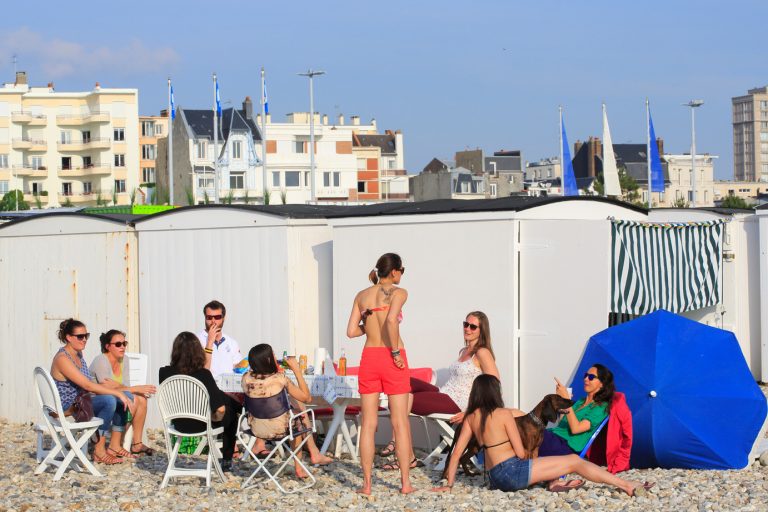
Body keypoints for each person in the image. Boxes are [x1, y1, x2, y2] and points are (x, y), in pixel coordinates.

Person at [434, 375, 653, 496]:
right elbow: (521, 452)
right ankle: (625, 485)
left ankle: (554, 482)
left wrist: (449, 485)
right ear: (495, 392)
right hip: (511, 473)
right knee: (575, 461)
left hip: (493, 478)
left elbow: (454, 455)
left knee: (557, 463)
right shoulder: (503, 415)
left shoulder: (472, 417)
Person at [380, 311, 500, 467]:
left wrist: (472, 411)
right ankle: (403, 449)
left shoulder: (482, 352)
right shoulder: (464, 351)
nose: (467, 329)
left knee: (404, 399)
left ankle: (400, 448)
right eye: (465, 324)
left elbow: (494, 383)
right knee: (402, 383)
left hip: (458, 402)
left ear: (481, 331)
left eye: (473, 326)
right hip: (444, 393)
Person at [346, 252, 413, 495]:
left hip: (369, 358)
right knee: (400, 422)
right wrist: (395, 352)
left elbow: (351, 332)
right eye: (401, 270)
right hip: (391, 356)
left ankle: (366, 485)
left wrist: (368, 325)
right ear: (394, 271)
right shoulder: (399, 293)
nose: (401, 275)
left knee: (369, 423)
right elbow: (392, 321)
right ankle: (405, 484)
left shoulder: (362, 295)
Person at [50, 318, 135, 465]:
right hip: (68, 407)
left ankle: (114, 444)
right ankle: (99, 450)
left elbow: (87, 386)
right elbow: (87, 385)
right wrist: (116, 392)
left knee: (124, 396)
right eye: (80, 336)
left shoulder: (78, 354)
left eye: (86, 336)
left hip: (81, 401)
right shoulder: (63, 358)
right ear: (68, 337)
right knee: (110, 399)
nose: (84, 340)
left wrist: (121, 392)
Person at [241, 343, 333, 476]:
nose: (275, 357)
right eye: (273, 355)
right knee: (299, 414)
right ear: (268, 360)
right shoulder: (280, 379)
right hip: (280, 430)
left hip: (256, 429)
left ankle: (314, 453)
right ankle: (302, 465)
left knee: (296, 407)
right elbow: (307, 398)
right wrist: (297, 370)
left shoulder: (246, 379)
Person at [159, 331, 239, 472]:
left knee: (226, 402)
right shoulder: (204, 375)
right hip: (202, 424)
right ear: (197, 352)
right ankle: (226, 460)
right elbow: (220, 410)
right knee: (231, 412)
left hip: (178, 424)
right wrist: (215, 418)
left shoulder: (164, 372)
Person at [535, 364, 615, 490]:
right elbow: (562, 423)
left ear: (602, 384)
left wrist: (568, 403)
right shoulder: (580, 402)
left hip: (566, 446)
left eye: (591, 377)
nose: (586, 379)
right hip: (556, 438)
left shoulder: (601, 407)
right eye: (585, 375)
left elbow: (576, 429)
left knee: (525, 429)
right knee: (518, 420)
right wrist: (562, 401)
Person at [90, 330, 156, 458]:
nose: (123, 347)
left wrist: (125, 388)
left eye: (124, 343)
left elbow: (123, 386)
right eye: (118, 344)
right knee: (131, 396)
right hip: (97, 401)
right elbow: (105, 388)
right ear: (107, 346)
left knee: (141, 398)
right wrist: (135, 388)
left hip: (113, 397)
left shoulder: (124, 359)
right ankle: (115, 445)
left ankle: (136, 444)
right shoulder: (101, 360)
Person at [198, 300, 243, 378]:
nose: (213, 321)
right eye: (209, 317)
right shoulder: (196, 341)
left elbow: (238, 368)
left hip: (228, 388)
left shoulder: (232, 343)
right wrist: (209, 342)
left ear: (223, 318)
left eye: (217, 317)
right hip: (207, 387)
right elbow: (201, 371)